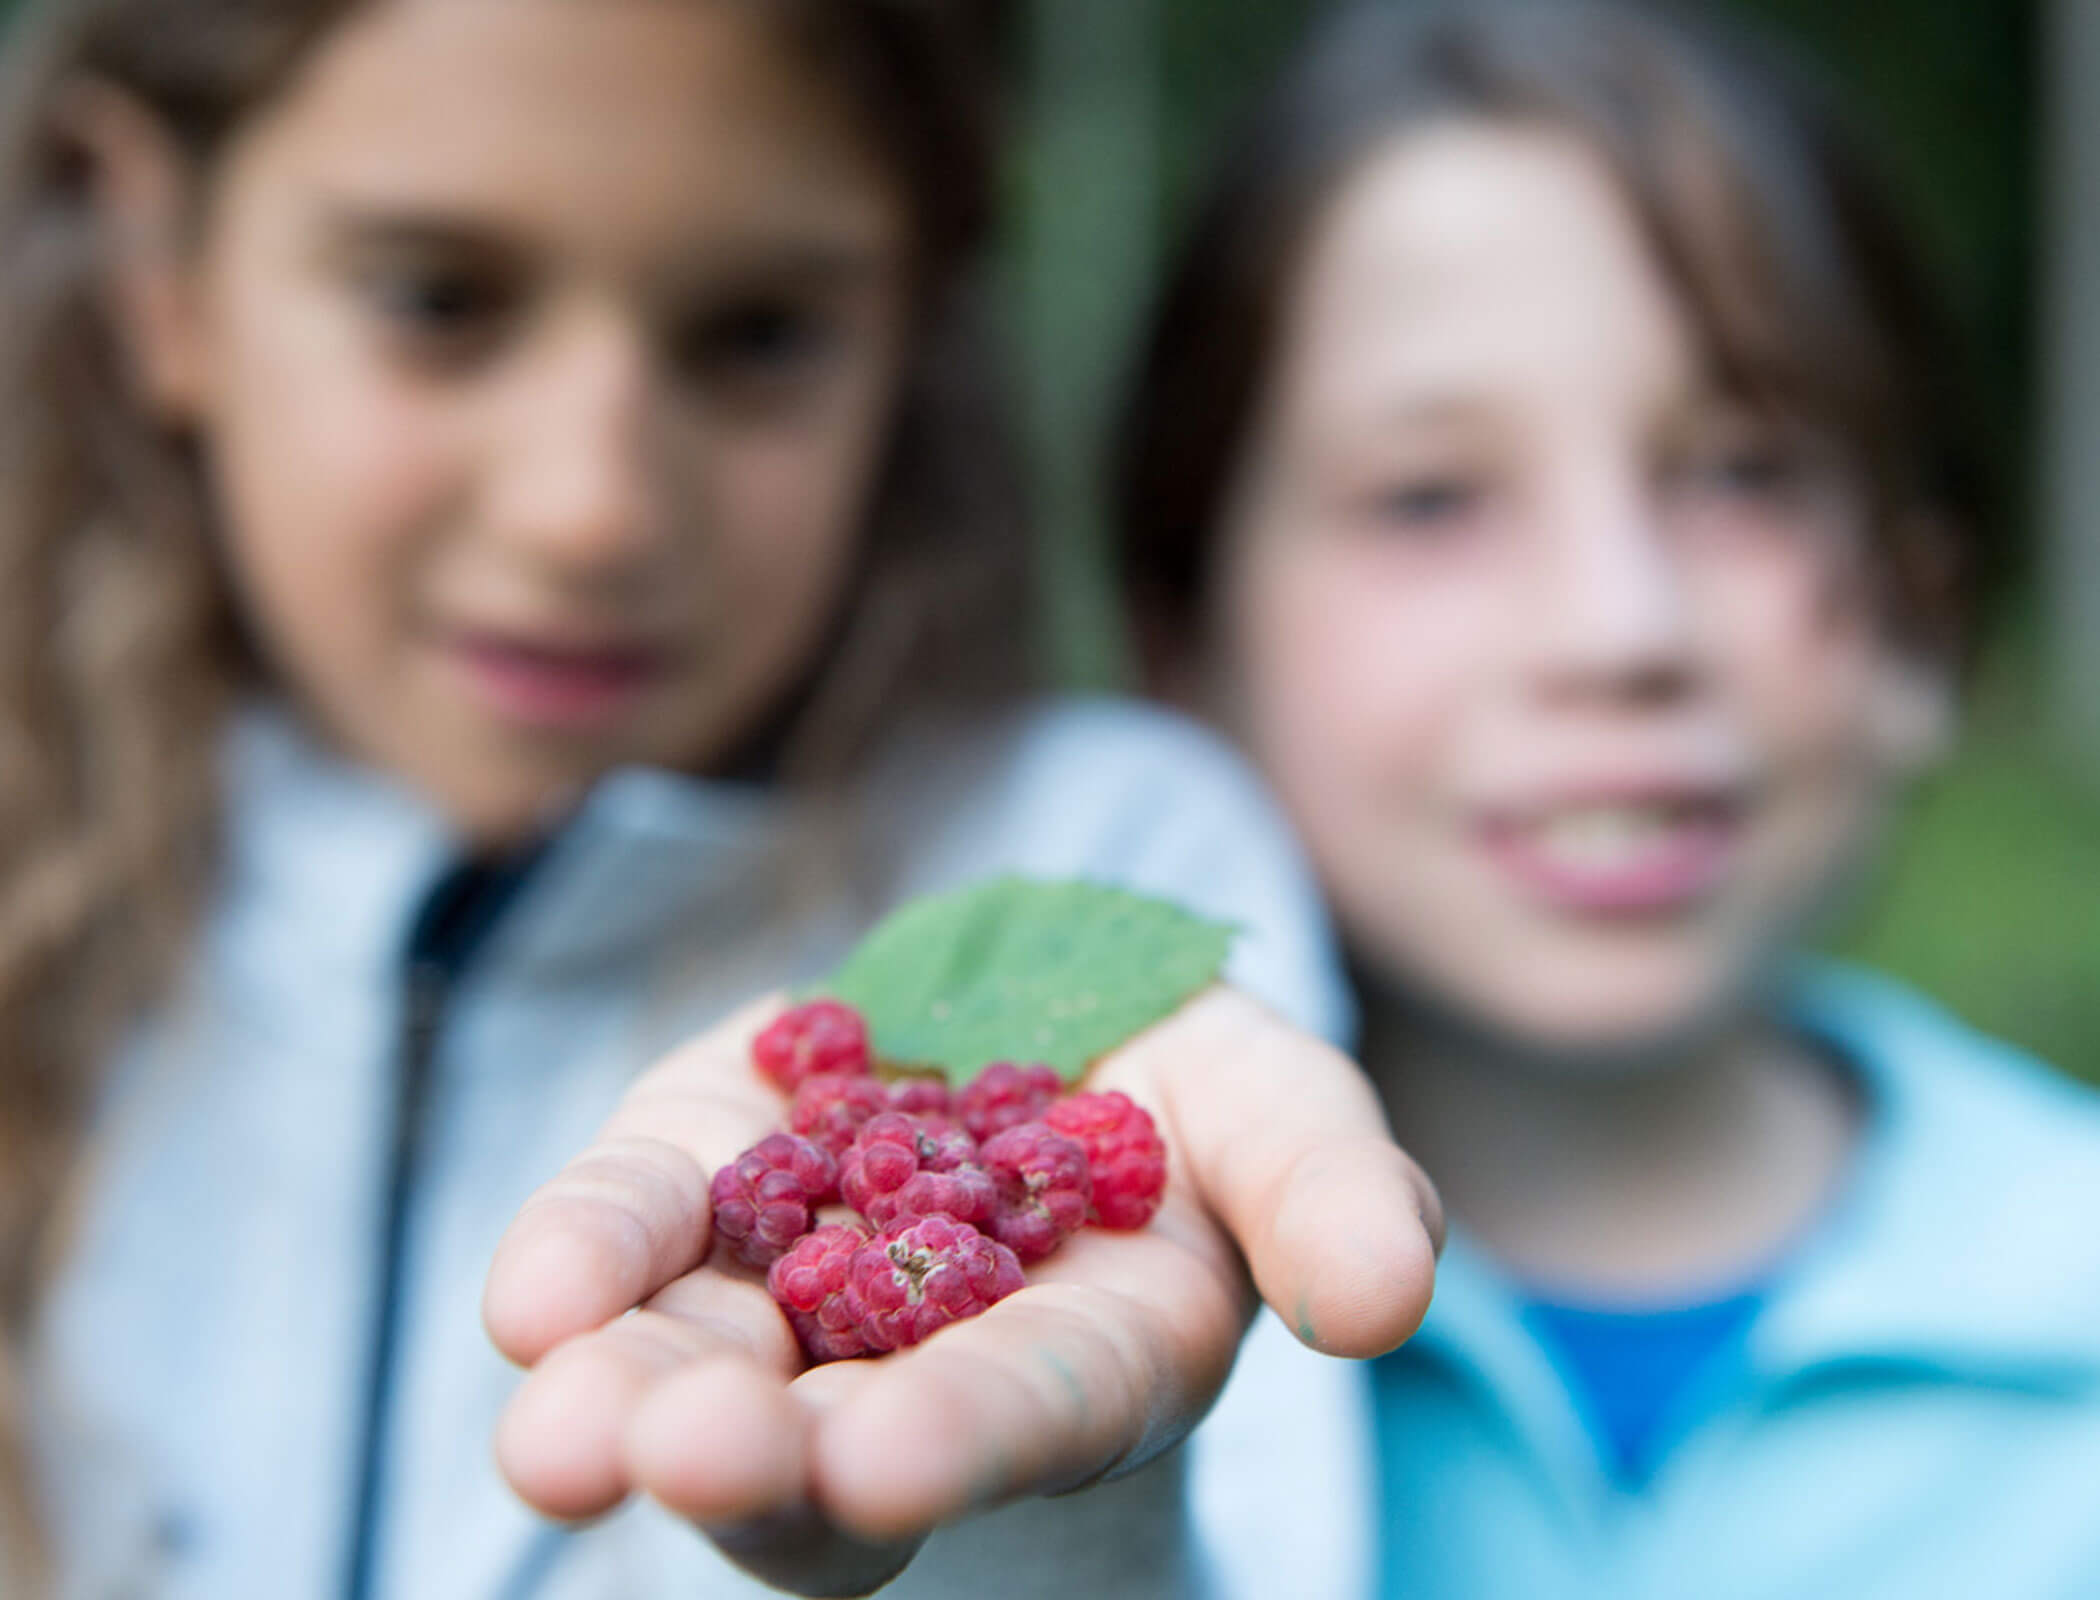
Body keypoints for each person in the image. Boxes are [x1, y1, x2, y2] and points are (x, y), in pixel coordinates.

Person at [0, 0, 1440, 1596]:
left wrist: (1034, 1521)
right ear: (158, 266)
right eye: (438, 300)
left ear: (911, 324)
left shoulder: (1093, 860)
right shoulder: (49, 910)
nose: (590, 510)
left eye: (755, 334)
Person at [1110, 1, 2100, 1594]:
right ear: (1185, 650)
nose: (1615, 627)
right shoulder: (1092, 1341)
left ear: (1919, 619)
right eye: (1430, 497)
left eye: (1742, 473)